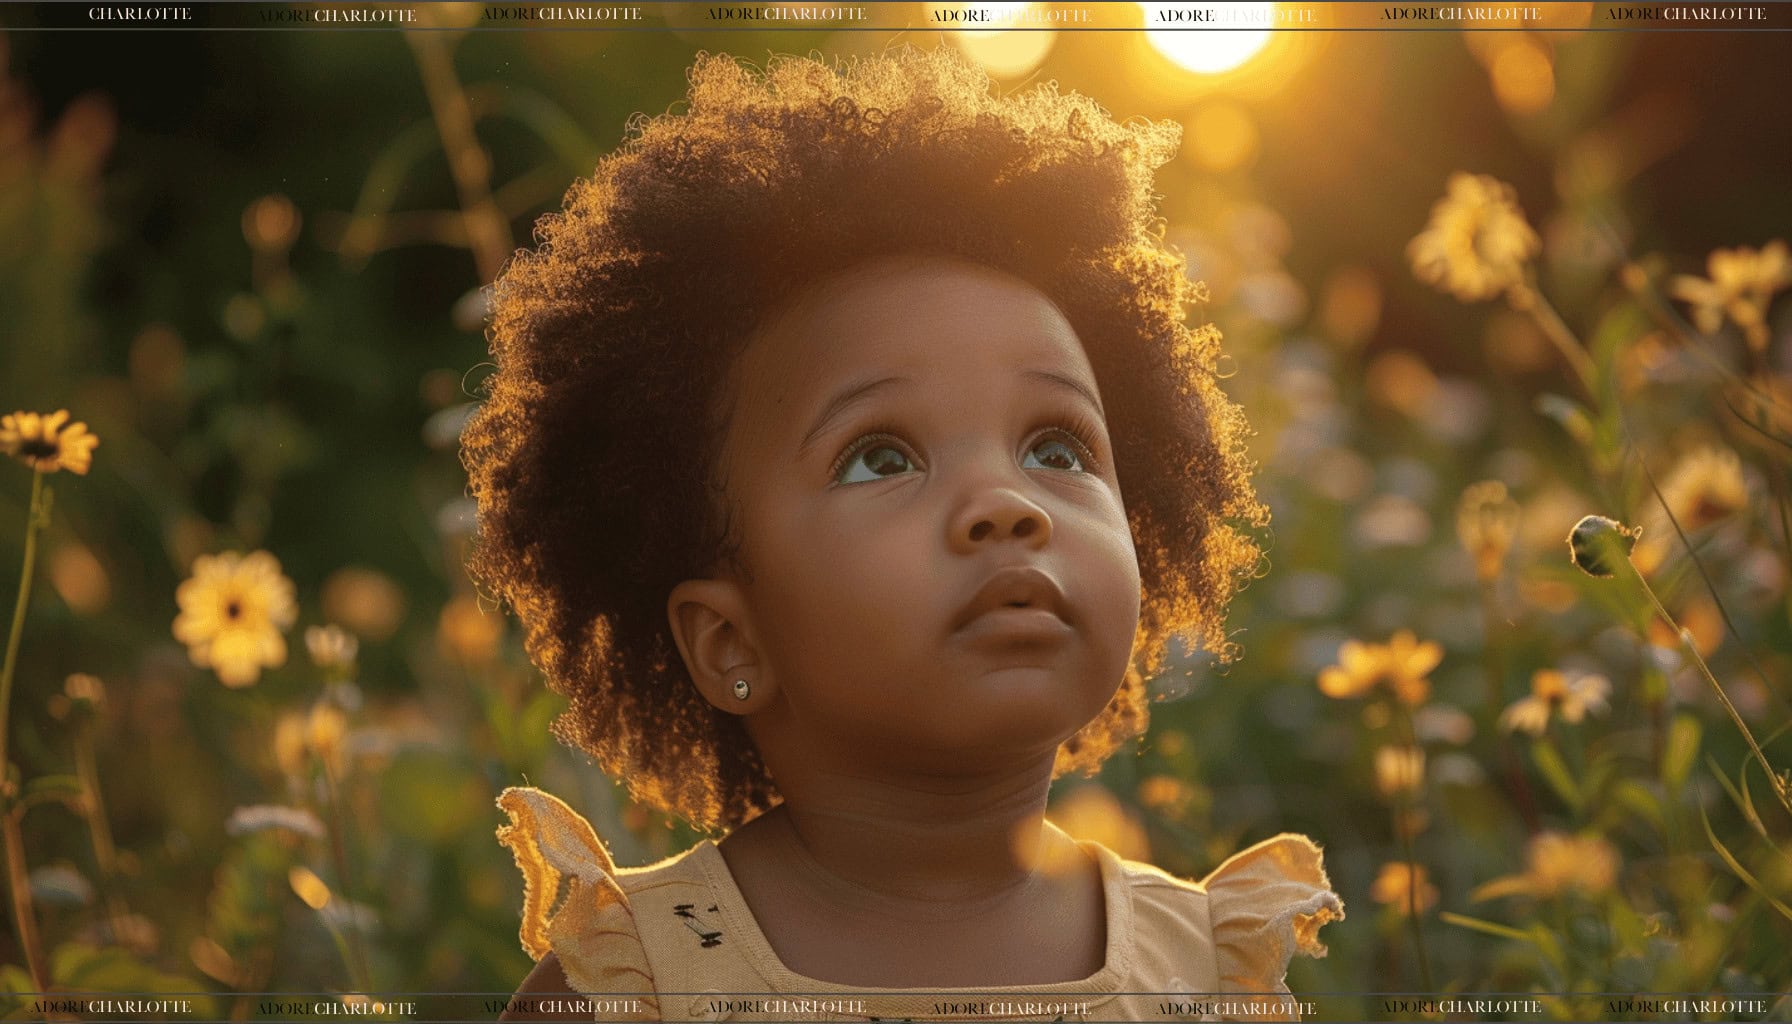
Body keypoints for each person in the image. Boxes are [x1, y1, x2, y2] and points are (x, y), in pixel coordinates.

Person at [463, 46, 1343, 1023]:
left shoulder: (1205, 972)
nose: (1008, 504)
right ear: (730, 640)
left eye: (1056, 446)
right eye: (882, 458)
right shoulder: (637, 974)